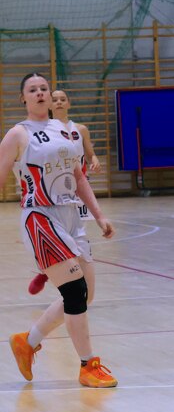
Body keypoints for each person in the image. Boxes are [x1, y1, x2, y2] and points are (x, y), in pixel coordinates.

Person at [2, 73, 117, 388]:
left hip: (71, 217)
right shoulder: (18, 134)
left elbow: (78, 177)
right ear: (23, 98)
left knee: (85, 294)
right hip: (40, 216)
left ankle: (27, 341)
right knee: (74, 291)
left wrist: (99, 215)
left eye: (44, 88)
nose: (40, 93)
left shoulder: (63, 131)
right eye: (32, 90)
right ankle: (88, 365)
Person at [28, 88, 102, 295]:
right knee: (56, 233)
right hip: (54, 189)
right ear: (49, 104)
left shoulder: (80, 129)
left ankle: (74, 278)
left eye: (63, 99)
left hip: (78, 187)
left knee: (78, 233)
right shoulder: (43, 132)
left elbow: (90, 153)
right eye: (55, 99)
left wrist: (95, 160)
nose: (59, 102)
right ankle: (45, 270)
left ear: (69, 103)